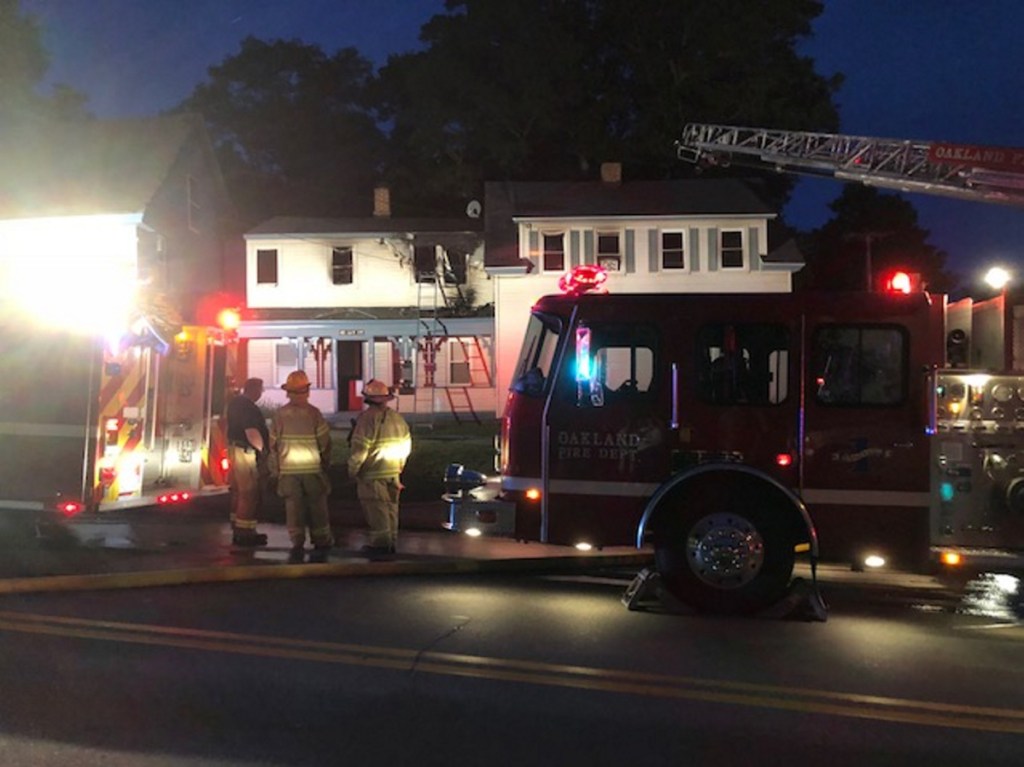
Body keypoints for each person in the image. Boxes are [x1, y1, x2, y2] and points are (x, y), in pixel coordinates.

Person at [268, 370, 334, 563]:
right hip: (312, 470)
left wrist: (275, 469)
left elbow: (273, 444)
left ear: (288, 392)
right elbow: (325, 443)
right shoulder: (314, 413)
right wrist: (325, 463)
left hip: (288, 471)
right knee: (318, 507)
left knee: (293, 507)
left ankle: (297, 541)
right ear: (306, 391)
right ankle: (321, 539)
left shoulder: (279, 415)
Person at [347, 379, 411, 558]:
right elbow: (406, 446)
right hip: (393, 473)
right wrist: (399, 468)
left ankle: (381, 546)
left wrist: (352, 470)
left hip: (371, 474)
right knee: (391, 510)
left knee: (377, 511)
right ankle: (390, 543)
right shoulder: (397, 418)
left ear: (367, 398)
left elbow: (360, 449)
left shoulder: (367, 419)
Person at [225, 377, 269, 547]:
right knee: (248, 492)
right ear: (254, 390)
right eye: (260, 389)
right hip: (245, 452)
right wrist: (263, 451)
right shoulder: (248, 407)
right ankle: (245, 534)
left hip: (236, 450)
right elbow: (251, 432)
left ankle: (239, 528)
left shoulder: (236, 403)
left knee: (238, 491)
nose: (261, 393)